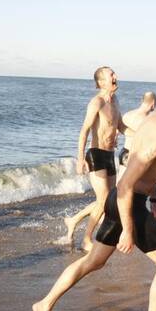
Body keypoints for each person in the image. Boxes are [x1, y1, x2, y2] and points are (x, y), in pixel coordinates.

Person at [33, 76, 156, 311]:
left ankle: (44, 304)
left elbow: (147, 172)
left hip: (127, 201)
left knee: (94, 261)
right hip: (128, 203)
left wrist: (155, 201)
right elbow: (125, 185)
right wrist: (128, 229)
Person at [62, 67, 121, 251]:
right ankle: (86, 239)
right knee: (103, 199)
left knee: (108, 200)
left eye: (114, 73)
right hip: (95, 154)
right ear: (101, 82)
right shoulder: (97, 102)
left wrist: (141, 136)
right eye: (111, 75)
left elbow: (120, 125)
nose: (115, 77)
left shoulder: (116, 101)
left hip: (110, 155)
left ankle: (73, 221)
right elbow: (84, 130)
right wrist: (80, 159)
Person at [119, 91, 156, 166]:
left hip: (124, 152)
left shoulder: (128, 115)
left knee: (122, 177)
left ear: (142, 101)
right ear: (153, 103)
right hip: (135, 156)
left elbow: (118, 128)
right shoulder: (147, 121)